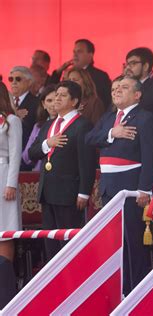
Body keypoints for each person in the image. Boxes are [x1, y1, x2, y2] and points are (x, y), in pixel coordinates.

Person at [85, 76, 153, 295]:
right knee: (114, 240)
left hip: (131, 186)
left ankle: (136, 289)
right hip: (109, 187)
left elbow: (150, 155)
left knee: (131, 240)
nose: (116, 91)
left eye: (123, 88)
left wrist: (145, 189)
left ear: (137, 94)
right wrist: (112, 133)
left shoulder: (145, 118)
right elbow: (89, 138)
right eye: (114, 88)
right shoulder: (109, 117)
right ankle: (119, 287)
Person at [28, 81, 96, 260]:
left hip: (69, 193)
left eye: (62, 95)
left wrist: (84, 192)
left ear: (74, 101)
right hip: (48, 191)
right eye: (56, 95)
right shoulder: (49, 125)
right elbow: (32, 153)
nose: (56, 99)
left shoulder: (82, 125)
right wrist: (46, 144)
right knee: (50, 242)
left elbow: (87, 162)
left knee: (68, 242)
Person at [0, 82, 22, 309]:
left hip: (3, 176)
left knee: (4, 230)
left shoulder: (12, 121)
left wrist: (11, 184)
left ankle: (5, 282)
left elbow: (16, 154)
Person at [124, 47, 153, 145]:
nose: (128, 68)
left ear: (145, 66)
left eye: (133, 64)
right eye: (127, 64)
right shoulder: (123, 86)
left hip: (146, 142)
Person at [50, 39, 112, 107]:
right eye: (74, 52)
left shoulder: (100, 76)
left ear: (90, 55)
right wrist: (58, 72)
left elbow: (107, 102)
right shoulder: (67, 74)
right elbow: (50, 91)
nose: (75, 55)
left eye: (79, 51)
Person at [22, 85, 58, 171]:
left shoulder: (68, 124)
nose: (53, 104)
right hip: (40, 174)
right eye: (49, 100)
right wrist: (45, 145)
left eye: (56, 100)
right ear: (43, 104)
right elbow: (26, 157)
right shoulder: (38, 126)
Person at [8, 66, 39, 154]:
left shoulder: (37, 103)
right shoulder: (4, 102)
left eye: (18, 79)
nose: (13, 82)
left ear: (29, 82)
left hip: (25, 152)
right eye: (11, 79)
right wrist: (14, 114)